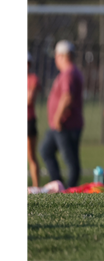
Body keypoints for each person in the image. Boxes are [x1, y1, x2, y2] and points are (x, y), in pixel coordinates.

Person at [40, 40, 84, 188]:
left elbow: (67, 97)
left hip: (65, 125)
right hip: (60, 125)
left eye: (57, 56)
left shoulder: (69, 73)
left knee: (71, 162)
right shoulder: (70, 72)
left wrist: (57, 118)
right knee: (46, 150)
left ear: (62, 56)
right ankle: (57, 183)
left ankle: (68, 189)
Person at [27, 51, 42, 188]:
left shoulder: (33, 79)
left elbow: (29, 99)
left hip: (29, 121)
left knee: (31, 156)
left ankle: (36, 186)